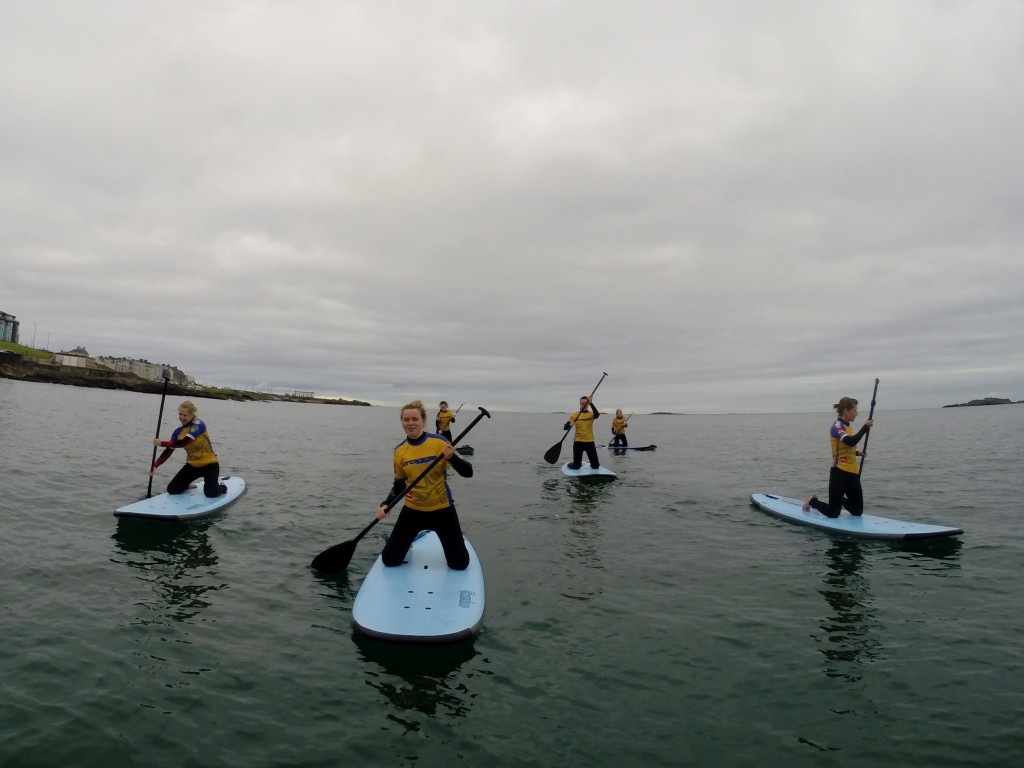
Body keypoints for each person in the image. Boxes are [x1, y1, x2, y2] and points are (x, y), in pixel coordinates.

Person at [376, 400, 473, 569]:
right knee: (390, 561)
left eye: (415, 419)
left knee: (460, 564)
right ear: (402, 423)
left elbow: (468, 472)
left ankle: (451, 542)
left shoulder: (440, 442)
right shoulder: (400, 451)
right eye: (406, 420)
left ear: (423, 421)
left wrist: (452, 457)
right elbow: (399, 486)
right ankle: (407, 544)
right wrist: (386, 505)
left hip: (442, 509)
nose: (410, 423)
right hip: (413, 511)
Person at [803, 396, 874, 518]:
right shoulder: (836, 427)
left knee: (857, 511)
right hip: (839, 473)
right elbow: (850, 441)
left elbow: (846, 448)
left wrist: (858, 453)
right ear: (846, 411)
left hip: (853, 473)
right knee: (833, 513)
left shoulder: (848, 428)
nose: (857, 414)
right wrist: (865, 427)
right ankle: (812, 501)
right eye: (855, 410)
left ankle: (838, 499)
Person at [150, 400, 227, 497]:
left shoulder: (198, 425)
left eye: (185, 415)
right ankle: (187, 484)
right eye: (180, 414)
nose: (182, 417)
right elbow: (170, 449)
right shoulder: (178, 431)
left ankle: (221, 485)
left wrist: (161, 443)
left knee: (210, 493)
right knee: (172, 489)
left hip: (209, 464)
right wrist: (155, 466)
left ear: (192, 415)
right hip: (192, 465)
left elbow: (184, 442)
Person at [565, 395, 600, 470]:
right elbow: (565, 427)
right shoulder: (575, 415)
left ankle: (591, 462)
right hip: (578, 442)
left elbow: (597, 415)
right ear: (580, 404)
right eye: (582, 404)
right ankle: (571, 463)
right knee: (577, 466)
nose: (584, 405)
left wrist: (591, 403)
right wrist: (569, 424)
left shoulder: (591, 414)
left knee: (596, 466)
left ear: (588, 404)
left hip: (590, 442)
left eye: (585, 403)